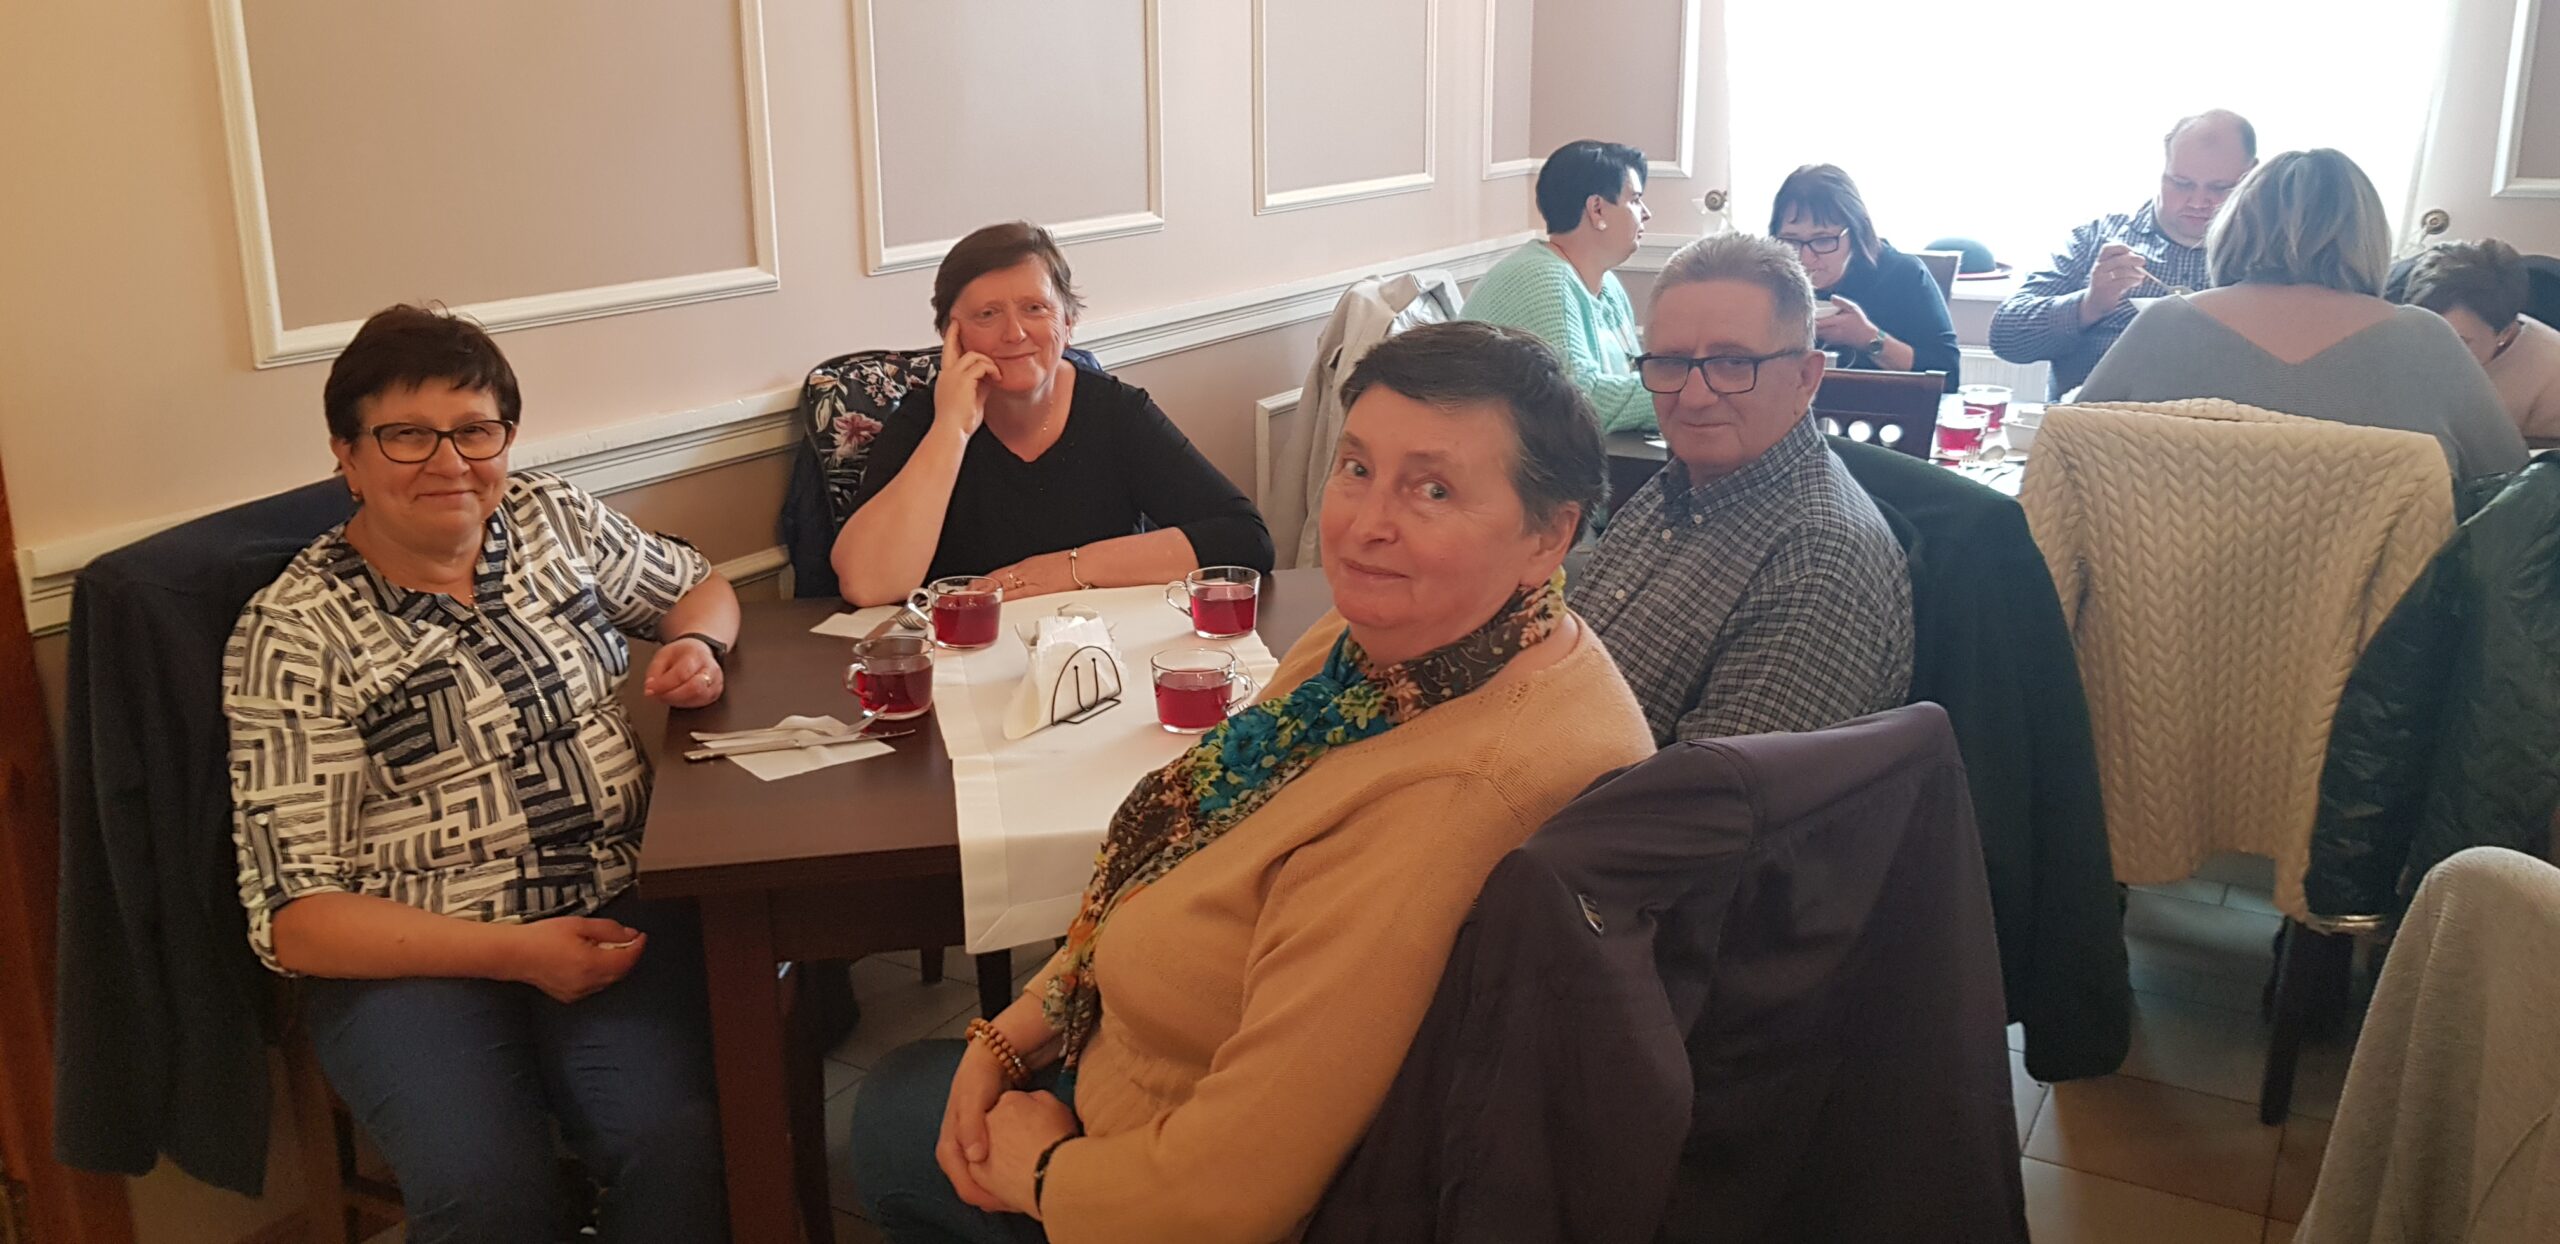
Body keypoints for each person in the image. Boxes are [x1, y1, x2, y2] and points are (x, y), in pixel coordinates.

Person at [846, 322, 1656, 1243]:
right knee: (920, 1086)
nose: (1367, 522)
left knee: (890, 1117)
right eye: (1356, 468)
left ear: (1549, 536)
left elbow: (1230, 1193)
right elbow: (1191, 840)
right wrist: (1018, 1028)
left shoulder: (1462, 792)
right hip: (1127, 1052)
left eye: (1433, 489)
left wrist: (1044, 1173)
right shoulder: (1384, 646)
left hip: (1159, 1173)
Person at [225, 305, 738, 1243]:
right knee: (487, 1191)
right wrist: (519, 953)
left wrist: (700, 645)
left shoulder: (549, 518)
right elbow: (296, 918)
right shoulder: (294, 631)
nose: (450, 462)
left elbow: (698, 585)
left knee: (676, 1142)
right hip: (412, 956)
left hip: (613, 906)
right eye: (407, 435)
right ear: (347, 456)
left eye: (475, 430)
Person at [1571, 233, 1914, 744]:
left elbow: (1713, 791)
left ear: (1806, 377)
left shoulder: (1819, 562)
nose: (1693, 396)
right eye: (1671, 362)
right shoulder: (1677, 486)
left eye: (1733, 364)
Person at [832, 221, 1273, 606]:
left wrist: (1070, 568)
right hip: (966, 655)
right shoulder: (925, 420)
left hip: (1096, 649)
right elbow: (866, 585)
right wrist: (953, 429)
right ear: (952, 334)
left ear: (1068, 321)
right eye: (987, 314)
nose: (1014, 333)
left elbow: (1245, 539)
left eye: (1035, 308)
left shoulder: (1115, 411)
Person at [2079, 149, 2528, 480]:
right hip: (2385, 586)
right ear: (2369, 237)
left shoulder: (2163, 325)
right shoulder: (2428, 341)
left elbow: (2068, 455)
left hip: (2162, 581)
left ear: (2235, 224)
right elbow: (2510, 486)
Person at [1992, 110, 2259, 399]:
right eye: (2181, 183)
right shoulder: (2097, 238)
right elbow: (2007, 337)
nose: (2197, 202)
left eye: (2220, 188)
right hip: (2091, 421)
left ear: (2252, 176)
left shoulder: (2266, 255)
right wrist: (2090, 305)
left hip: (2217, 422)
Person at [1461, 140, 1658, 433]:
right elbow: (1581, 401)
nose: (1646, 213)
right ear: (1597, 209)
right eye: (1635, 200)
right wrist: (1684, 395)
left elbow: (1630, 375)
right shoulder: (1543, 280)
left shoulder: (1607, 284)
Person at [1769, 163, 1961, 390]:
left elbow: (1948, 377)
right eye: (1791, 241)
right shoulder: (1771, 279)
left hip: (1882, 407)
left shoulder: (1902, 275)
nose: (1805, 258)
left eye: (1823, 240)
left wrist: (1868, 338)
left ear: (1856, 232)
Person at [2397, 238, 2560, 442]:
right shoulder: (2390, 330)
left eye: (2457, 341)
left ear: (2504, 333)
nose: (2432, 350)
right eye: (2423, 330)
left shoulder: (2552, 378)